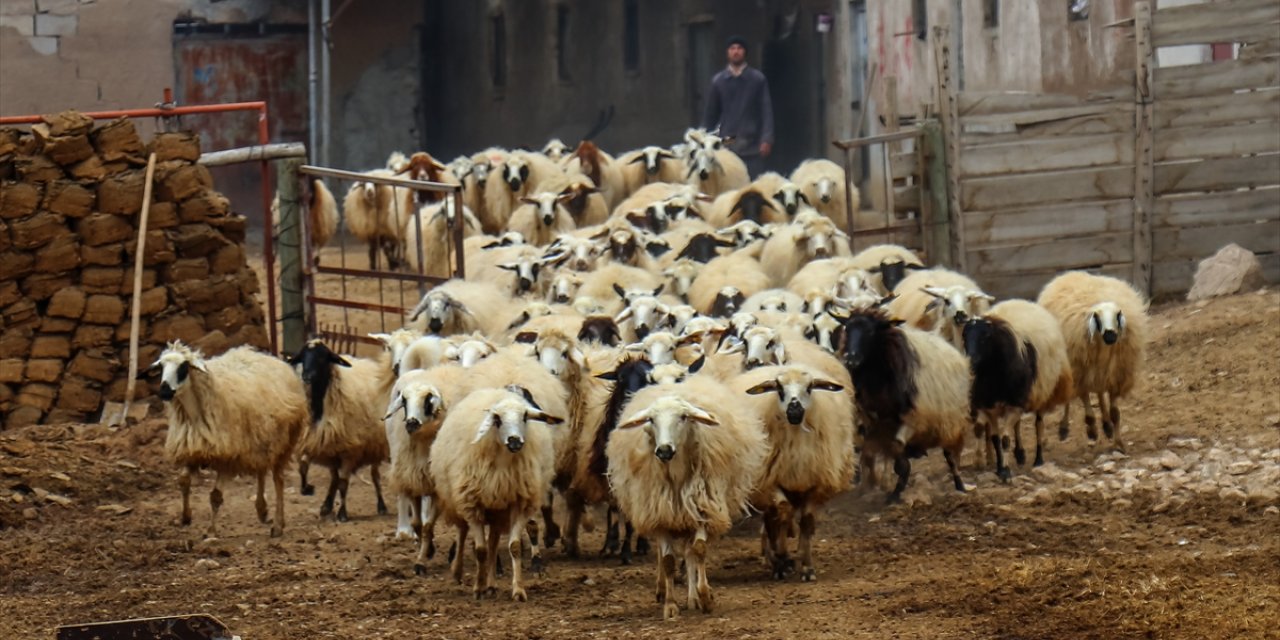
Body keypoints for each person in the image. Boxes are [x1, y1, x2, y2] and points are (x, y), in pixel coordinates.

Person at [702, 35, 775, 178]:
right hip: (727, 145)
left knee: (753, 187)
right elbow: (710, 114)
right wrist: (703, 139)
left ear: (745, 52)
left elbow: (766, 110)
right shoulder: (719, 81)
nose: (736, 52)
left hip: (752, 145)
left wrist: (767, 138)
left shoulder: (757, 79)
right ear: (727, 52)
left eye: (739, 48)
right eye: (732, 48)